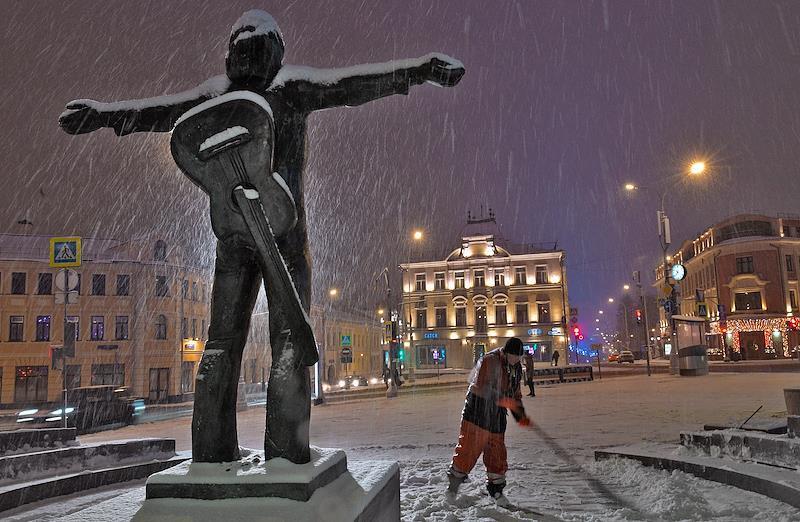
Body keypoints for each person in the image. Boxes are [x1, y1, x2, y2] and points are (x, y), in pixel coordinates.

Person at [58, 10, 464, 465]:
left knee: (221, 341)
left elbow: (159, 112)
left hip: (233, 235)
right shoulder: (290, 88)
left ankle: (212, 452)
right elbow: (353, 86)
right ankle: (286, 453)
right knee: (288, 337)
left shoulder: (220, 95)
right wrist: (420, 70)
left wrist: (103, 116)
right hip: (283, 230)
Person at [447, 337, 532, 504]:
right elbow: (480, 386)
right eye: (513, 356)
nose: (515, 360)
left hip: (497, 416)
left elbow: (515, 394)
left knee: (497, 453)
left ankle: (496, 491)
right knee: (468, 450)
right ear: (506, 353)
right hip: (477, 412)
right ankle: (453, 488)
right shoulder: (489, 361)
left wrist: (519, 414)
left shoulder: (516, 369)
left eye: (518, 357)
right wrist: (500, 398)